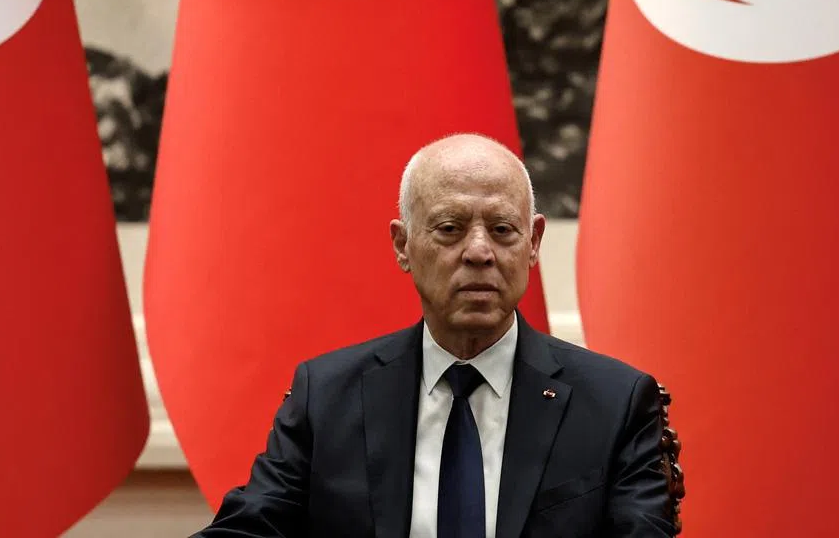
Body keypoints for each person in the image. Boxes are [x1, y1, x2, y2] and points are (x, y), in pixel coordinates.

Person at [191, 134, 677, 537]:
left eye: (503, 229)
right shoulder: (328, 396)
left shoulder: (615, 402)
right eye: (450, 228)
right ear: (403, 246)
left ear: (533, 243)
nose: (480, 251)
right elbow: (251, 528)